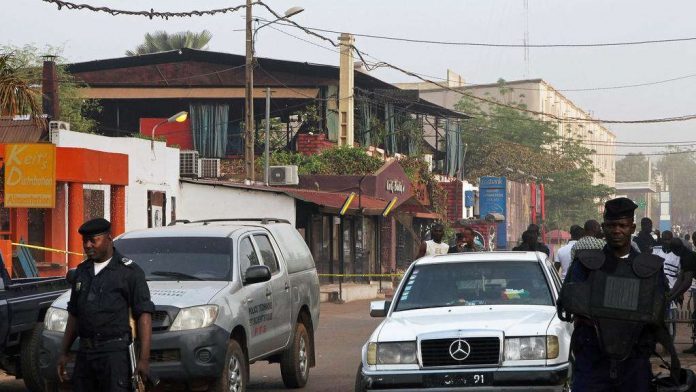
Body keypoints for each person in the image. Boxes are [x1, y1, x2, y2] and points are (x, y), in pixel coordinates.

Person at [558, 197, 678, 392]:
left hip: (634, 359)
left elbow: (657, 313)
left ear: (632, 227)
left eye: (622, 225)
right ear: (603, 228)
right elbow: (570, 304)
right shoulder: (586, 264)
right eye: (611, 225)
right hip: (592, 359)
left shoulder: (649, 268)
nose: (616, 231)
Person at [57, 218, 155, 391]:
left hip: (114, 354)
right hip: (85, 354)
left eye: (93, 240)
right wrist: (64, 352)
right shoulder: (82, 272)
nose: (87, 245)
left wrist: (144, 360)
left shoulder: (129, 272)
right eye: (84, 241)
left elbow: (144, 315)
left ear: (109, 238)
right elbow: (74, 314)